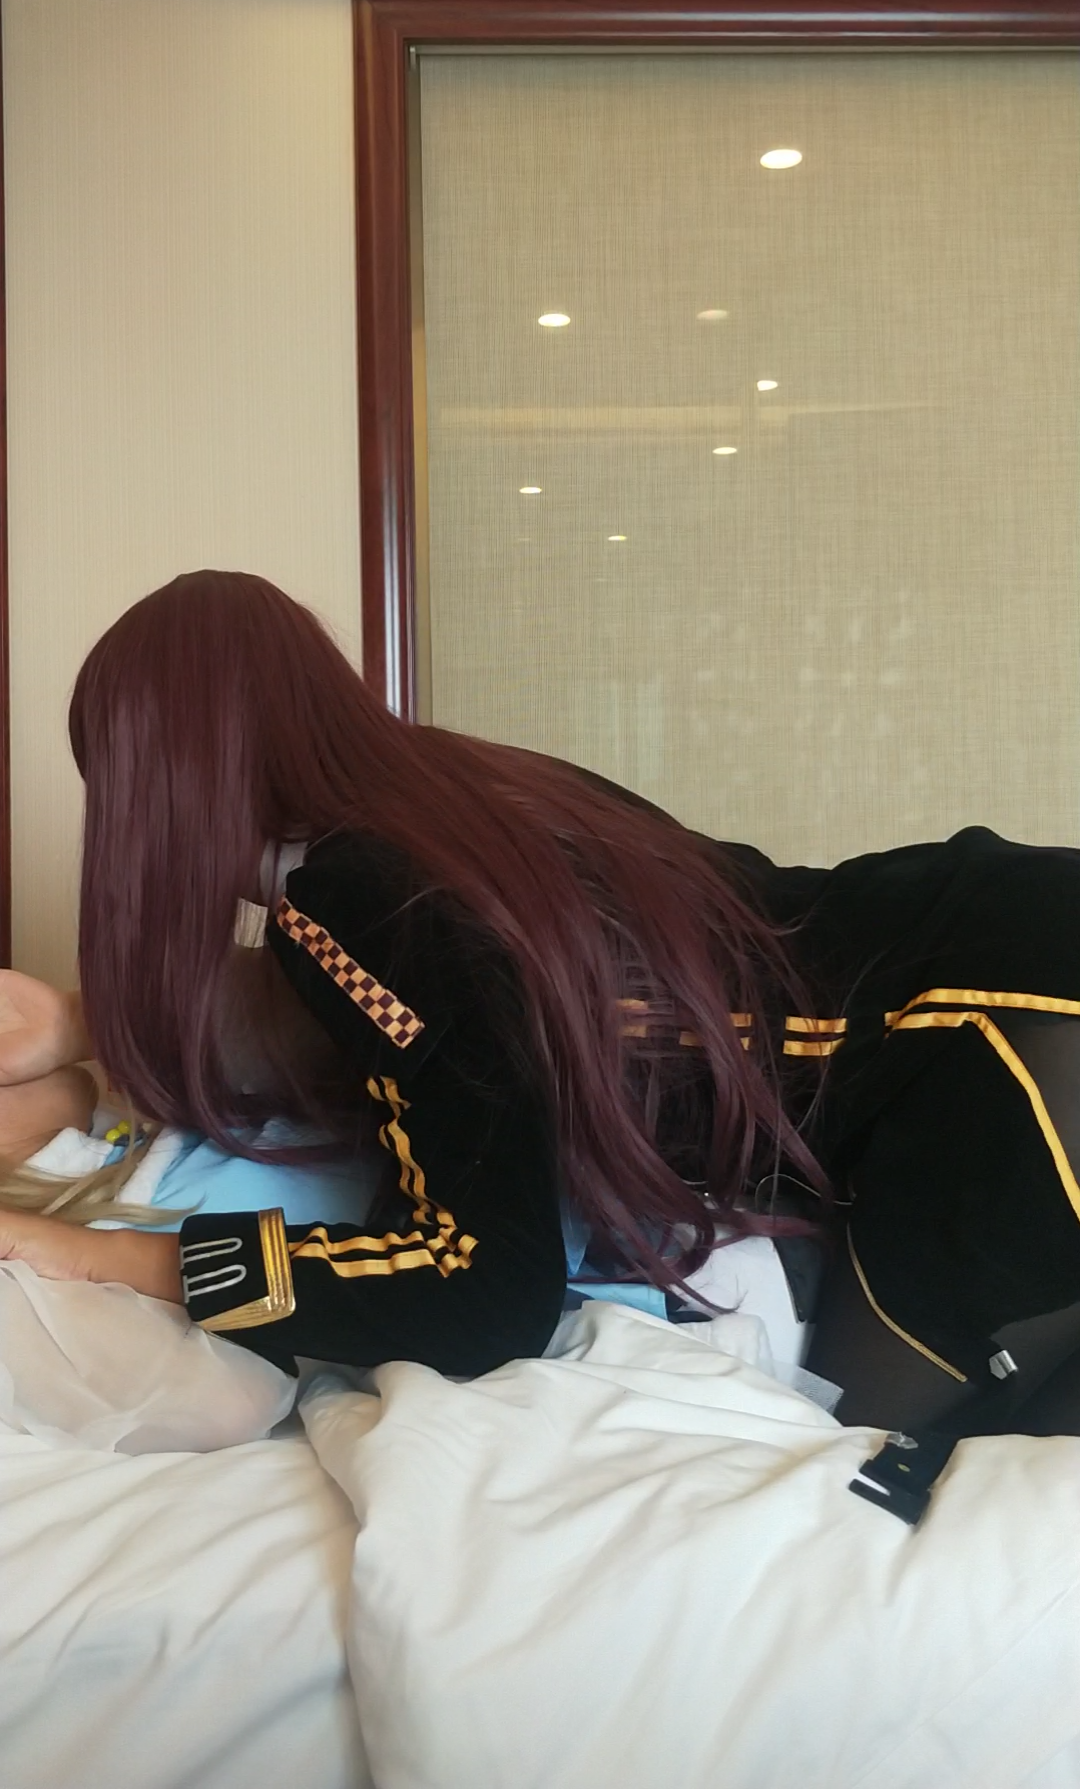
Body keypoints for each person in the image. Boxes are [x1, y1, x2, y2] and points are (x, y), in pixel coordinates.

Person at [2, 570, 1080, 1441]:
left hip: (997, 1032)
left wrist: (109, 1257)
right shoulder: (463, 795)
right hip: (1006, 945)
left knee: (856, 1497)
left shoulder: (358, 902)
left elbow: (477, 1293)